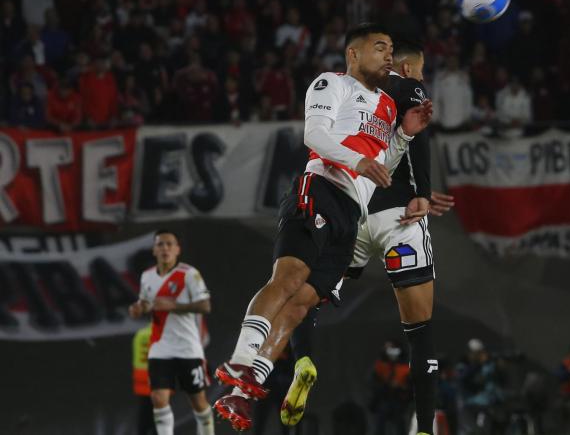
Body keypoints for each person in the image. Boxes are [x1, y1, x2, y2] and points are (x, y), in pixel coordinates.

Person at [212, 23, 433, 431]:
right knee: (289, 278)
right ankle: (240, 363)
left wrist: (403, 135)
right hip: (321, 188)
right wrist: (356, 160)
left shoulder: (386, 105)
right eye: (379, 47)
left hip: (353, 214)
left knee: (302, 305)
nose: (388, 56)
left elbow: (382, 168)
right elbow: (314, 134)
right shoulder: (332, 83)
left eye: (390, 49)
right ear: (353, 54)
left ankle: (244, 392)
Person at [277, 40, 454, 434]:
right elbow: (417, 135)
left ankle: (303, 360)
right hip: (400, 217)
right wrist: (422, 192)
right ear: (408, 68)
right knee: (420, 328)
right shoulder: (407, 87)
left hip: (351, 213)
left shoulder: (342, 88)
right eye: (421, 72)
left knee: (309, 297)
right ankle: (424, 429)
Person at [128, 230, 214, 435]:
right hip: (160, 346)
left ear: (177, 249)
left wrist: (174, 305)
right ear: (154, 250)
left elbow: (205, 306)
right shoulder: (147, 276)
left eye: (169, 244)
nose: (165, 248)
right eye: (160, 244)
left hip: (187, 347)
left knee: (198, 401)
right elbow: (147, 304)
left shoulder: (189, 274)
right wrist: (138, 309)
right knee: (158, 398)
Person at [132, 323, 154, 435]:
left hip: (141, 377)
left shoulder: (140, 334)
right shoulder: (161, 335)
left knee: (144, 413)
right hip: (157, 378)